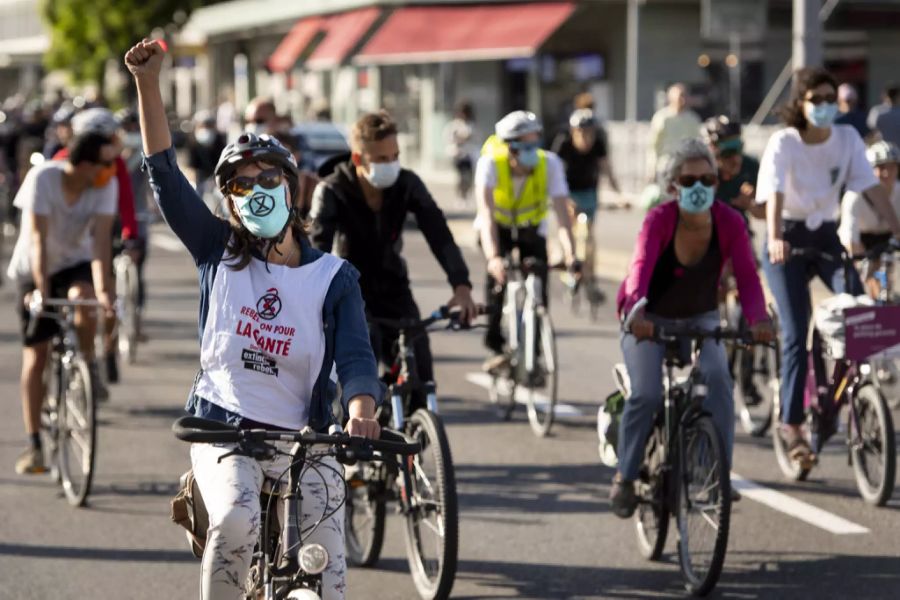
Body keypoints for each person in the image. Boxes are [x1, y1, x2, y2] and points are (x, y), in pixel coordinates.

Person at [125, 38, 381, 600]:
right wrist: (149, 84)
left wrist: (361, 408)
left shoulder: (334, 277)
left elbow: (358, 357)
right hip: (223, 431)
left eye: (270, 179)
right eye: (242, 183)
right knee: (237, 519)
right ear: (229, 199)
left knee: (325, 567)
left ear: (292, 189)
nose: (257, 190)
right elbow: (165, 177)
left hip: (309, 439)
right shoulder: (217, 250)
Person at [610, 138, 773, 516]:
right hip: (647, 317)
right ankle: (626, 475)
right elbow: (639, 270)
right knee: (648, 393)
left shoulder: (730, 222)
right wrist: (638, 313)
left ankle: (717, 473)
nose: (699, 187)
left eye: (707, 179)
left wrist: (759, 320)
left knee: (718, 379)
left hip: (700, 316)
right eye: (688, 181)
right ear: (672, 187)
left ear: (717, 184)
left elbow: (748, 278)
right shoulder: (658, 220)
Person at [756, 67, 900, 468]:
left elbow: (872, 189)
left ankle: (843, 394)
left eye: (828, 98)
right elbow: (775, 191)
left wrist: (897, 231)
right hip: (786, 238)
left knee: (859, 305)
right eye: (814, 100)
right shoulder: (785, 141)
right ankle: (793, 425)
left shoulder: (848, 138)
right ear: (801, 105)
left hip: (826, 239)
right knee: (796, 331)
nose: (823, 107)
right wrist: (775, 238)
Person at [309, 110, 476, 395]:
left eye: (396, 156)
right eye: (383, 159)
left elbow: (439, 234)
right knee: (364, 367)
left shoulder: (407, 184)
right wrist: (316, 303)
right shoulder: (331, 190)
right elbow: (317, 250)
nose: (392, 165)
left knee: (420, 368)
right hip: (350, 291)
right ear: (359, 159)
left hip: (394, 287)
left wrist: (461, 285)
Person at [6, 129, 119, 474]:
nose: (111, 170)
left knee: (85, 302)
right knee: (37, 353)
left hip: (74, 263)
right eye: (105, 163)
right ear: (84, 164)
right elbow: (37, 239)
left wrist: (104, 294)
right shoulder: (44, 179)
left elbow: (100, 246)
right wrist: (41, 291)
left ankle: (85, 366)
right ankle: (35, 443)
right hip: (35, 267)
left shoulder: (104, 186)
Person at [475, 110, 578, 371]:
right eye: (526, 146)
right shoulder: (490, 164)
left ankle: (535, 354)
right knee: (496, 283)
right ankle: (496, 345)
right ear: (510, 148)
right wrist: (494, 258)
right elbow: (486, 216)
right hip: (498, 228)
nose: (534, 151)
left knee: (540, 287)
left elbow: (563, 217)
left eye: (536, 144)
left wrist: (571, 255)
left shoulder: (550, 164)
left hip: (531, 228)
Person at [53, 107, 142, 386]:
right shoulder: (60, 161)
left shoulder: (114, 166)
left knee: (108, 297)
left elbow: (126, 202)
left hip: (103, 231)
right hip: (66, 239)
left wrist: (130, 234)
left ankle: (108, 349)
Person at [551, 108, 621, 301]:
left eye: (590, 133)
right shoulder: (563, 143)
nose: (586, 138)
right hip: (567, 192)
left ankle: (590, 276)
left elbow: (606, 168)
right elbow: (552, 171)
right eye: (581, 133)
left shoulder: (598, 144)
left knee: (588, 235)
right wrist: (562, 198)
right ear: (573, 132)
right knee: (569, 228)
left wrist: (619, 194)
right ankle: (568, 266)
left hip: (589, 192)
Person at [839, 140, 900, 296]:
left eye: (892, 167)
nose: (887, 173)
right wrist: (866, 264)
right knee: (864, 279)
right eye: (880, 168)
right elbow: (850, 239)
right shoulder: (854, 196)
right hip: (860, 241)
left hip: (889, 239)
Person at [701, 115, 764, 221]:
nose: (736, 159)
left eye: (739, 149)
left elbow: (768, 213)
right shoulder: (700, 174)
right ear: (712, 152)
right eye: (728, 152)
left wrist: (749, 206)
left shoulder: (749, 166)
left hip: (738, 229)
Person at [648, 83, 702, 179]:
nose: (683, 99)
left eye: (685, 95)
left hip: (687, 168)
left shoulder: (693, 119)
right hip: (666, 167)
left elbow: (698, 143)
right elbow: (653, 145)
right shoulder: (662, 118)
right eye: (680, 95)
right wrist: (651, 168)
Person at [444, 100, 480, 203]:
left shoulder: (472, 125)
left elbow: (475, 139)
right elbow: (449, 137)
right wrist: (458, 139)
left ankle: (466, 195)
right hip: (458, 154)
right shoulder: (454, 125)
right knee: (461, 176)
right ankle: (461, 196)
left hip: (469, 155)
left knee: (468, 176)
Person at [187, 110, 227, 197]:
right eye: (202, 126)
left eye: (209, 125)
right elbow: (191, 169)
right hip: (200, 180)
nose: (205, 129)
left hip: (217, 180)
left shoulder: (221, 142)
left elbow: (225, 166)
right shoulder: (193, 144)